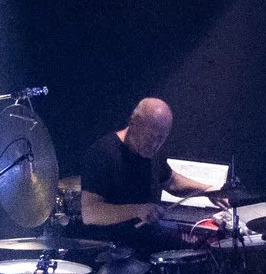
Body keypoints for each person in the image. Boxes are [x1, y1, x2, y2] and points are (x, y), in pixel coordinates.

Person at [77, 98, 228, 246]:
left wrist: (208, 190)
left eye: (161, 138)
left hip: (146, 239)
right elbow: (90, 213)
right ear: (133, 123)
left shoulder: (151, 152)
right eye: (150, 137)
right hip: (114, 248)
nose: (155, 145)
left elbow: (171, 181)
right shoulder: (102, 153)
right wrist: (137, 210)